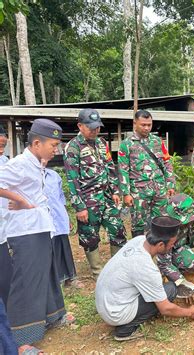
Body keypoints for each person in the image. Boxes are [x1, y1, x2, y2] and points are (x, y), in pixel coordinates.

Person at [0, 119, 72, 347]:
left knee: (47, 273)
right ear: (37, 142)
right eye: (53, 145)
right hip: (24, 231)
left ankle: (53, 315)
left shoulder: (37, 164)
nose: (56, 150)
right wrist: (20, 200)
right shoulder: (20, 164)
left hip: (41, 228)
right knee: (27, 281)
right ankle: (22, 339)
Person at [95, 216, 194, 341]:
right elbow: (165, 309)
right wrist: (190, 312)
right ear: (160, 244)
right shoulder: (146, 268)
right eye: (171, 244)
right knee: (170, 290)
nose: (172, 247)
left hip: (106, 301)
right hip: (115, 313)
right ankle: (125, 330)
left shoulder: (138, 241)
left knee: (159, 289)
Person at [63, 109, 127, 277]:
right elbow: (72, 179)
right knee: (90, 236)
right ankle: (97, 272)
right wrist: (79, 207)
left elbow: (110, 167)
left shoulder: (101, 143)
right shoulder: (73, 147)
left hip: (107, 197)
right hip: (88, 200)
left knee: (118, 229)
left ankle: (117, 268)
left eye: (97, 127)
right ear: (80, 126)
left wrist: (114, 190)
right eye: (91, 127)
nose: (95, 130)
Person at [118, 110, 175, 237]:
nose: (147, 128)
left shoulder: (157, 141)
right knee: (138, 223)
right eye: (143, 125)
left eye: (149, 125)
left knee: (161, 220)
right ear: (135, 123)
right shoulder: (126, 144)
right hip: (139, 192)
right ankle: (139, 251)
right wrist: (126, 193)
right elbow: (123, 170)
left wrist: (170, 183)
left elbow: (166, 163)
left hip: (159, 190)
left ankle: (159, 251)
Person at [44, 167, 81, 288]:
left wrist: (66, 217)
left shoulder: (54, 175)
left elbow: (61, 198)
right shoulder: (29, 175)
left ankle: (70, 278)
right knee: (50, 248)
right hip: (44, 221)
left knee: (64, 246)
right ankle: (56, 281)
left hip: (59, 217)